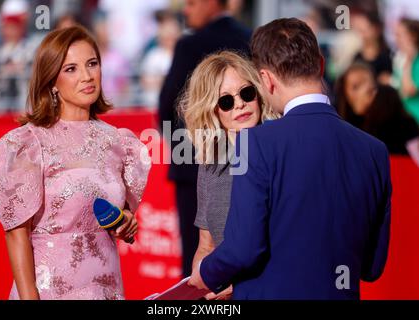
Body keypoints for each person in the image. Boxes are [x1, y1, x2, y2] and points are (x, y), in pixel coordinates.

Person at [189, 18, 392, 300]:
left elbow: (243, 249)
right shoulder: (374, 151)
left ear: (267, 81)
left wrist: (205, 273)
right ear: (321, 66)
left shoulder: (255, 143)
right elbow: (372, 266)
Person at [0, 25, 151, 300]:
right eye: (71, 69)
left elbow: (120, 218)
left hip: (107, 286)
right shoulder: (30, 142)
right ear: (52, 81)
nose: (86, 76)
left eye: (92, 64)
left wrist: (126, 222)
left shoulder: (119, 142)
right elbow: (16, 234)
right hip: (51, 290)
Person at [158, 0, 252, 278]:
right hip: (251, 165)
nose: (186, 11)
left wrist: (198, 155)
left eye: (191, 2)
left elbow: (167, 110)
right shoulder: (251, 38)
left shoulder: (189, 46)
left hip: (195, 172)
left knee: (198, 265)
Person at [179, 51, 278, 299]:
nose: (240, 104)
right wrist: (201, 287)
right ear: (212, 111)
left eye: (246, 93)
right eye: (226, 101)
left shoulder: (279, 150)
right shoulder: (210, 165)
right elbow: (206, 246)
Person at [336, 63, 419, 165]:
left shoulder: (399, 120)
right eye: (355, 87)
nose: (364, 90)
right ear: (344, 92)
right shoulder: (341, 128)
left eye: (368, 83)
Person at [352, 11, 393, 85]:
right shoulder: (357, 58)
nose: (362, 36)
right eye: (360, 31)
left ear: (376, 29)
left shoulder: (389, 56)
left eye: (365, 31)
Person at [392, 17, 419, 124]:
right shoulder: (399, 58)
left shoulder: (414, 60)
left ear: (413, 36)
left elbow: (408, 91)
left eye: (400, 35)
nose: (396, 39)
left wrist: (409, 59)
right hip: (405, 121)